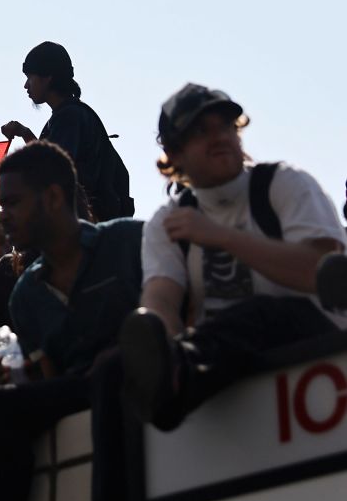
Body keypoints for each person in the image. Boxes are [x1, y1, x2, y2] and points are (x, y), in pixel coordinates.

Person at [0, 142, 143, 501]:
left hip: (131, 376)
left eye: (12, 204)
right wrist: (18, 374)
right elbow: (49, 376)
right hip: (77, 387)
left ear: (55, 197)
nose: (2, 218)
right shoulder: (25, 292)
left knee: (111, 370)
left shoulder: (128, 242)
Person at [122, 84, 347, 430]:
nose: (219, 138)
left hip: (318, 345)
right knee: (113, 369)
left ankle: (183, 372)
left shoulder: (285, 184)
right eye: (200, 131)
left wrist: (220, 236)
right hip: (227, 360)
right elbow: (160, 301)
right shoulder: (167, 223)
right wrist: (159, 344)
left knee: (262, 313)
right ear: (174, 152)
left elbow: (320, 272)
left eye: (225, 126)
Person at [1, 41, 134, 221]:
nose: (26, 85)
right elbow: (49, 158)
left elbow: (53, 171)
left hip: (88, 231)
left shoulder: (70, 117)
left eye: (30, 77)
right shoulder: (68, 116)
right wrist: (25, 133)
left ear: (47, 77)